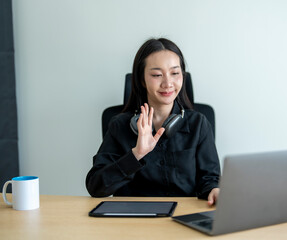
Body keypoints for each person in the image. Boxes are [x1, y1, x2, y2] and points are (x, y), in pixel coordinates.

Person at [86, 38, 220, 206]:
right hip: (134, 221)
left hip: (183, 218)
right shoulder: (119, 125)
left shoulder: (198, 124)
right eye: (157, 75)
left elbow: (209, 180)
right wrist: (136, 154)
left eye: (175, 73)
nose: (168, 83)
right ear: (142, 80)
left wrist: (214, 190)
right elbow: (96, 187)